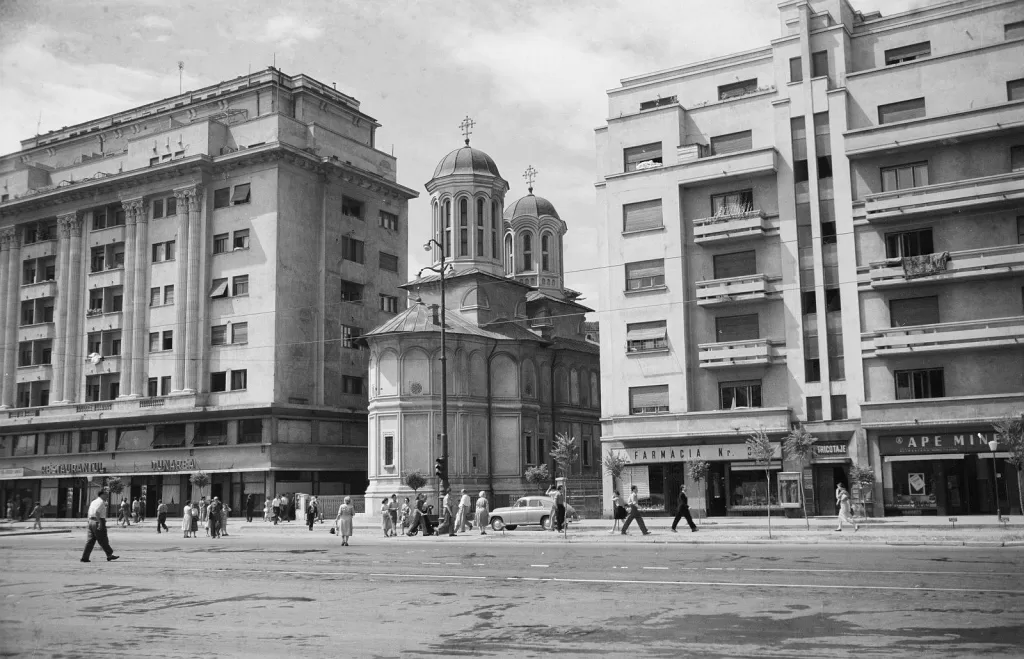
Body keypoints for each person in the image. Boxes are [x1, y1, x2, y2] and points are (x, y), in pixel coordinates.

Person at [80, 490, 118, 563]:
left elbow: (89, 512)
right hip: (98, 521)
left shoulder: (93, 501)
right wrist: (100, 523)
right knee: (103, 539)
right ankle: (109, 554)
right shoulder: (101, 502)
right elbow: (97, 512)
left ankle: (85, 557)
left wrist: (89, 521)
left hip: (91, 521)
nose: (107, 496)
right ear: (102, 495)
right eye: (106, 494)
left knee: (90, 541)